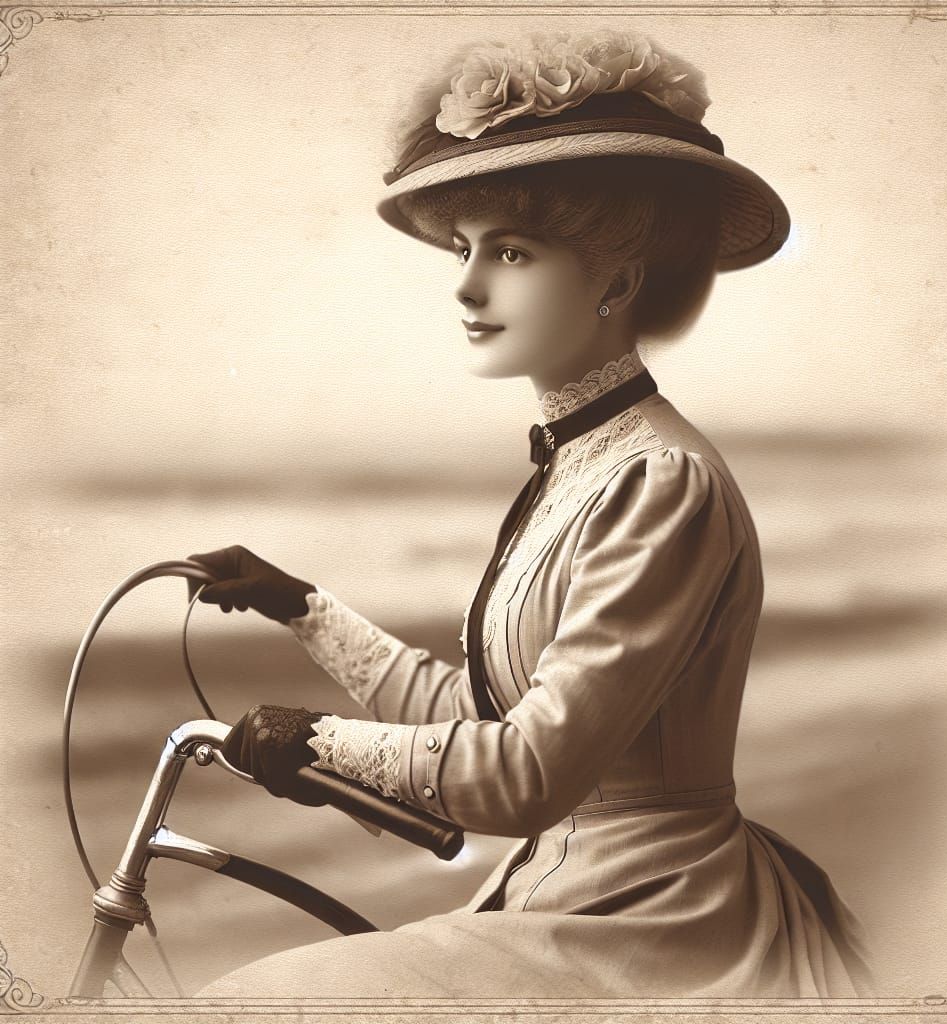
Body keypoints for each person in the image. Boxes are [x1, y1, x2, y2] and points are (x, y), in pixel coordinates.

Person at [191, 28, 875, 998]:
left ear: (616, 279)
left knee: (246, 1000)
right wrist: (301, 607)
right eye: (465, 249)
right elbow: (484, 716)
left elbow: (526, 775)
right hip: (561, 885)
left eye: (509, 252)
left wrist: (320, 739)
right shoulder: (578, 464)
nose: (466, 286)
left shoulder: (659, 479)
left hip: (653, 912)